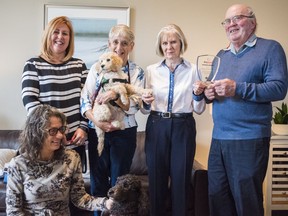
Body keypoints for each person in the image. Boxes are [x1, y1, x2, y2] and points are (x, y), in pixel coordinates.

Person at [203, 4, 288, 216]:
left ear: (252, 23)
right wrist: (207, 93)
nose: (231, 25)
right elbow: (212, 89)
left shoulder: (270, 48)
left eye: (237, 19)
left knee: (247, 202)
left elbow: (279, 88)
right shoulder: (221, 55)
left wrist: (237, 88)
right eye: (227, 21)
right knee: (218, 198)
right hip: (219, 139)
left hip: (249, 139)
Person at [80, 24, 145, 216]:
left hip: (124, 133)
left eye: (124, 43)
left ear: (131, 46)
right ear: (109, 43)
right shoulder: (96, 68)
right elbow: (85, 101)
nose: (119, 47)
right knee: (98, 182)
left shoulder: (136, 72)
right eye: (115, 42)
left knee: (121, 186)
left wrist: (115, 96)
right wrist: (97, 122)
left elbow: (135, 106)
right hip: (97, 130)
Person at [142, 24, 206, 216]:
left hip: (183, 125)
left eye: (173, 42)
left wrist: (197, 95)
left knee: (181, 179)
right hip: (156, 124)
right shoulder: (151, 70)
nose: (169, 47)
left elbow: (200, 109)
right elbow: (145, 109)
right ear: (160, 46)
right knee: (156, 180)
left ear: (181, 43)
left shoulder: (194, 69)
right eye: (165, 43)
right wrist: (145, 102)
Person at [5, 105, 113, 215]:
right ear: (36, 132)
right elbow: (13, 211)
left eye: (61, 129)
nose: (60, 135)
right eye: (53, 131)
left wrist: (106, 203)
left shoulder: (71, 158)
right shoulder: (18, 165)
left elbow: (80, 198)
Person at [21, 16, 88, 171]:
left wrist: (83, 128)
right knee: (44, 189)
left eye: (65, 33)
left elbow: (87, 100)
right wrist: (55, 132)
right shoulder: (33, 64)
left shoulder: (79, 65)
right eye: (56, 32)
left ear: (70, 38)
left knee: (72, 189)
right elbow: (29, 100)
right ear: (48, 35)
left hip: (74, 140)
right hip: (44, 141)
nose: (60, 37)